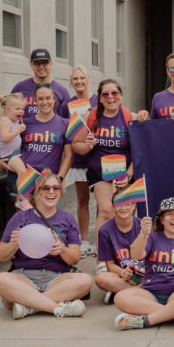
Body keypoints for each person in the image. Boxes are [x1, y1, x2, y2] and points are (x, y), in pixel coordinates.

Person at [0, 171, 91, 320]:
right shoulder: (20, 217)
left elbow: (75, 258)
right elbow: (2, 255)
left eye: (56, 188)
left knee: (85, 280)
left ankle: (28, 306)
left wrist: (63, 250)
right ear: (36, 193)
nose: (51, 192)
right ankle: (57, 308)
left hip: (56, 278)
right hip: (23, 276)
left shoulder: (68, 218)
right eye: (45, 188)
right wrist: (15, 244)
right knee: (0, 279)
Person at [114, 198, 174, 330]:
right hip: (150, 292)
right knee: (120, 297)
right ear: (162, 220)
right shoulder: (152, 236)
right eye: (169, 214)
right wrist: (142, 234)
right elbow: (136, 255)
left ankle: (145, 321)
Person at [71, 79, 133, 229]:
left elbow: (140, 152)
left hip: (125, 174)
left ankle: (123, 251)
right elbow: (76, 145)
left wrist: (129, 175)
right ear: (100, 98)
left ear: (121, 96)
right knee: (106, 211)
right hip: (100, 173)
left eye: (114, 93)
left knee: (124, 215)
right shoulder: (89, 116)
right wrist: (87, 146)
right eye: (105, 94)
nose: (110, 97)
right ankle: (103, 253)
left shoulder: (131, 117)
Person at [94, 188, 144, 305]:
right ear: (113, 207)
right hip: (123, 276)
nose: (123, 208)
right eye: (119, 204)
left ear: (134, 206)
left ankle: (121, 291)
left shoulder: (143, 226)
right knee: (101, 278)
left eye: (127, 204)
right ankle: (144, 292)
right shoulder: (105, 230)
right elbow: (110, 265)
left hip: (144, 274)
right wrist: (122, 273)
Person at [67, 65, 96, 256]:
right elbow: (67, 130)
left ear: (88, 80)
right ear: (71, 82)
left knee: (104, 203)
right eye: (75, 79)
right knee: (83, 199)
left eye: (82, 78)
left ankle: (104, 244)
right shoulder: (68, 104)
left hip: (97, 156)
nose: (79, 82)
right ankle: (84, 242)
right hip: (79, 158)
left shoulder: (97, 100)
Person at [19, 83, 73, 178]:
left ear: (54, 99)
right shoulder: (24, 124)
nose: (45, 102)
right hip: (25, 179)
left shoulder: (65, 124)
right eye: (40, 99)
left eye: (48, 98)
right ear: (35, 101)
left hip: (49, 181)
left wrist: (59, 178)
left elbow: (68, 155)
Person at [10, 48, 71, 122]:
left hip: (52, 133)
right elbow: (8, 114)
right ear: (31, 65)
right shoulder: (19, 88)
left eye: (45, 63)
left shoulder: (62, 92)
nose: (41, 67)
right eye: (37, 63)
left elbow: (66, 122)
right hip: (24, 132)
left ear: (51, 64)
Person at [0, 92, 27, 178]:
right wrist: (18, 131)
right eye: (17, 109)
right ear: (8, 109)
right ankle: (21, 191)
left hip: (15, 152)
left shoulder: (15, 121)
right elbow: (5, 138)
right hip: (9, 154)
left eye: (23, 109)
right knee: (22, 171)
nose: (21, 111)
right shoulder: (5, 121)